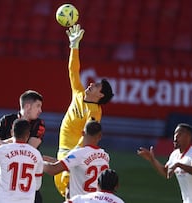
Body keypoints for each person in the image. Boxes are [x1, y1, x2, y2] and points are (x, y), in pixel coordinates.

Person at [55, 24, 114, 198]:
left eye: (96, 86)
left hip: (73, 155)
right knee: (67, 195)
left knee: (70, 194)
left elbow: (86, 136)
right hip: (63, 151)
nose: (91, 84)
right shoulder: (78, 94)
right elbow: (73, 71)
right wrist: (74, 46)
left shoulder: (95, 112)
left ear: (101, 95)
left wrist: (73, 156)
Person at [0, 90, 45, 203]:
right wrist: (16, 140)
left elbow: (30, 147)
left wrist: (4, 144)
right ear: (27, 106)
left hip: (27, 184)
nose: (40, 110)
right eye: (38, 106)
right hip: (6, 179)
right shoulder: (6, 120)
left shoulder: (38, 124)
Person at [137, 123, 192, 203]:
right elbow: (166, 172)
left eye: (179, 134)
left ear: (188, 137)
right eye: (175, 134)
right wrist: (152, 159)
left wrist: (178, 164)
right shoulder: (174, 155)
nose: (175, 138)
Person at [44, 120, 110, 199]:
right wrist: (54, 161)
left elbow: (53, 170)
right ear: (100, 136)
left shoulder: (78, 154)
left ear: (82, 133)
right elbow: (81, 169)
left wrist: (39, 161)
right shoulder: (105, 157)